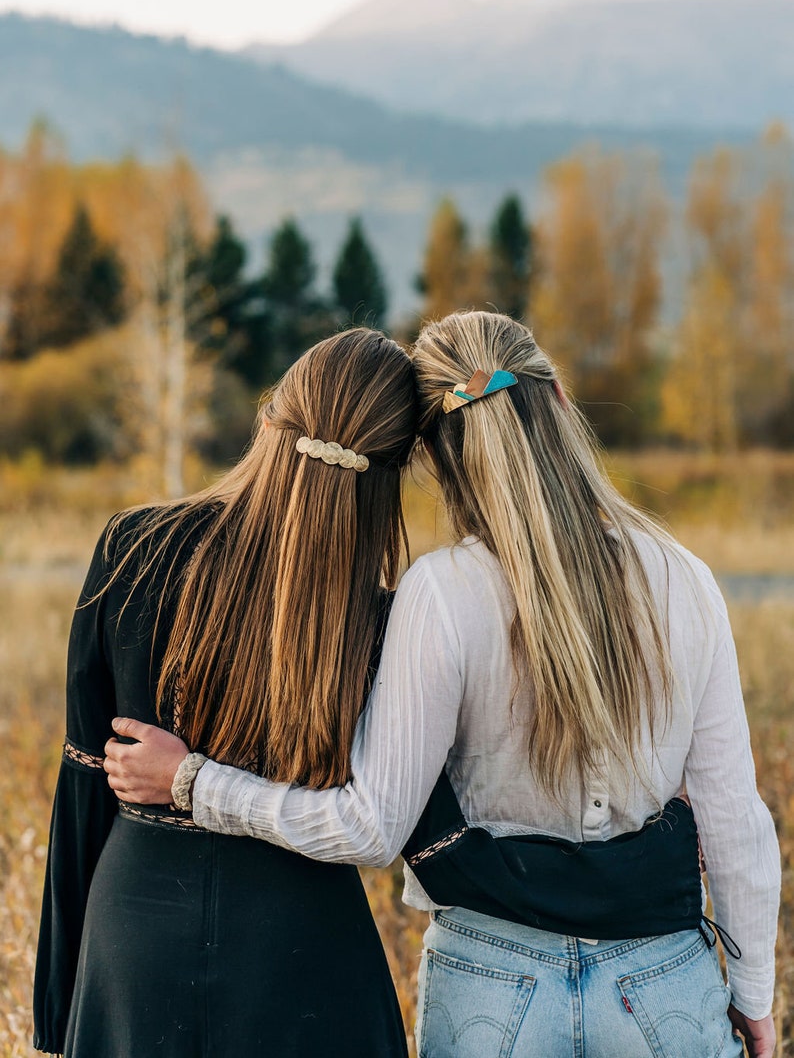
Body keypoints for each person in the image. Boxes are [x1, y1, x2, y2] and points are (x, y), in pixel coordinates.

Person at [106, 312, 780, 1058]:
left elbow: (370, 827)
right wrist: (754, 996)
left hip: (493, 991)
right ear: (558, 398)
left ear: (435, 457)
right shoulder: (683, 577)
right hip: (663, 986)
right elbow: (734, 819)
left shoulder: (441, 593)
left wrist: (194, 782)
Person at [34, 327, 419, 1058]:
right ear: (391, 473)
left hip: (135, 940)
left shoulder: (133, 548)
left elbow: (84, 776)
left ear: (271, 415)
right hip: (311, 956)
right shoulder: (382, 618)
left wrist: (58, 1014)